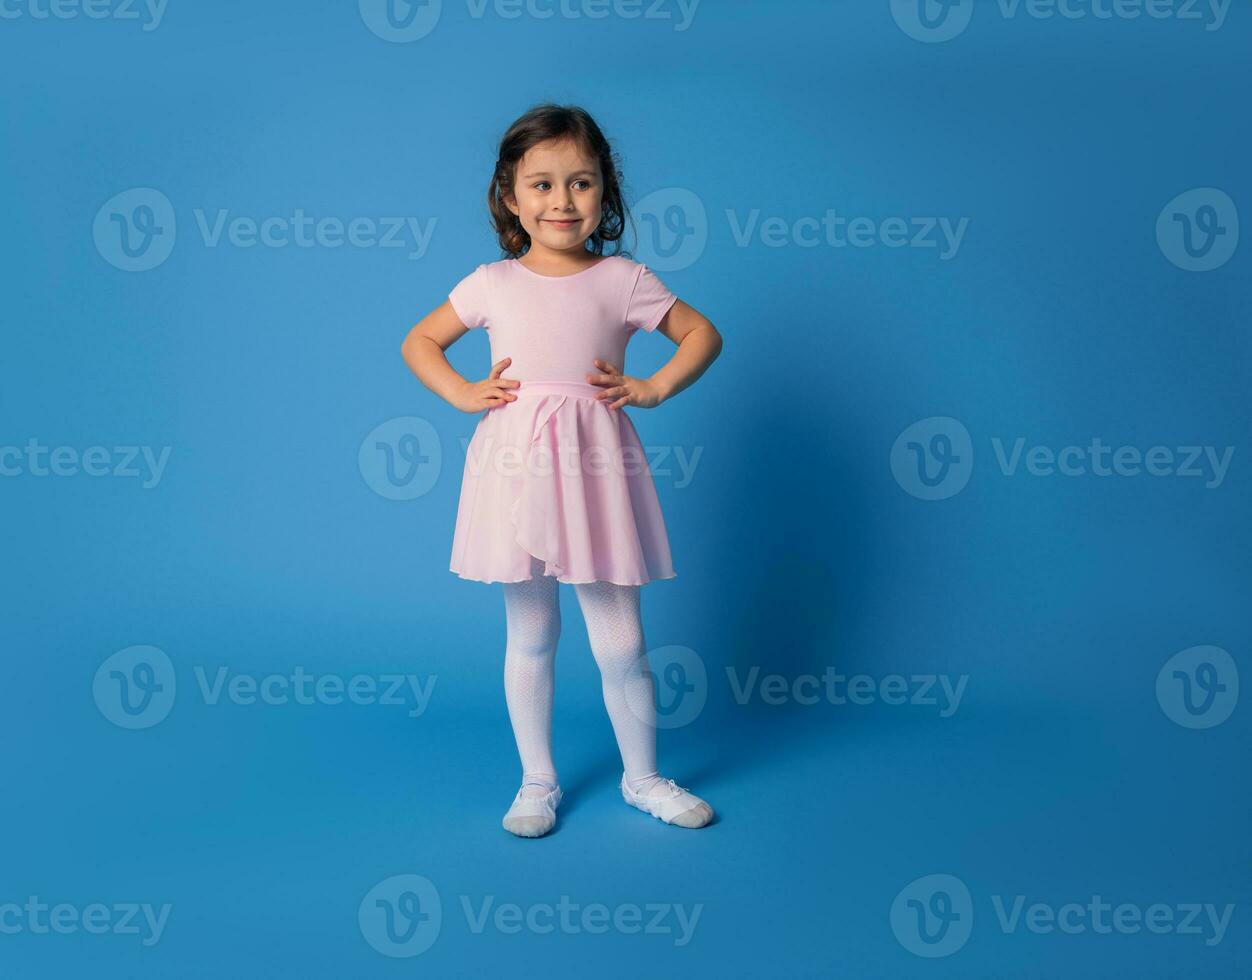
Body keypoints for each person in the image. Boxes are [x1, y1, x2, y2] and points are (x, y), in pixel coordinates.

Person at [401, 103, 723, 838]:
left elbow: (701, 332)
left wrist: (655, 386)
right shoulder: (490, 283)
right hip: (515, 472)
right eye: (541, 185)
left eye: (580, 183)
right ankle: (537, 781)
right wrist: (459, 391)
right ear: (509, 197)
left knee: (622, 641)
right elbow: (421, 340)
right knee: (532, 633)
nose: (562, 200)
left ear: (604, 193)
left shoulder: (623, 279)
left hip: (594, 472)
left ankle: (643, 777)